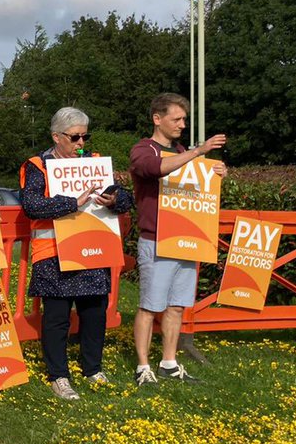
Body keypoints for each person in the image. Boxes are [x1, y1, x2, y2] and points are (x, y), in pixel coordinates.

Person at [20, 107, 133, 400]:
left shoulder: (95, 163)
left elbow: (126, 199)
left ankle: (92, 369)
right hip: (54, 253)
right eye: (75, 137)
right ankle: (59, 376)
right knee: (57, 317)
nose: (81, 143)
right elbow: (32, 205)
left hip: (93, 248)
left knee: (94, 313)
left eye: (85, 136)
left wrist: (115, 199)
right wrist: (73, 202)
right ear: (56, 137)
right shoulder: (37, 165)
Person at [128, 93, 226, 386]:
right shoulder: (142, 149)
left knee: (176, 305)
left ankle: (168, 362)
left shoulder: (182, 150)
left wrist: (218, 172)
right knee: (149, 306)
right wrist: (199, 152)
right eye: (177, 119)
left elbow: (197, 180)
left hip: (187, 238)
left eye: (184, 119)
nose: (182, 124)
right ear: (157, 119)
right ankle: (143, 366)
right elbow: (155, 169)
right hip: (156, 239)